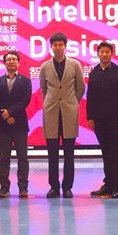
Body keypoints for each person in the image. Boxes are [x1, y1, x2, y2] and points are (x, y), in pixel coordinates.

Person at [39, 32, 85, 199]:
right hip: (51, 113)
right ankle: (54, 186)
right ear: (51, 47)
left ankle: (67, 187)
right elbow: (44, 89)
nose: (58, 47)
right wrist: (51, 103)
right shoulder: (45, 66)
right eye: (55, 45)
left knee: (69, 154)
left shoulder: (75, 65)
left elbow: (80, 88)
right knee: (52, 154)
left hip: (69, 113)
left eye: (61, 45)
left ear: (65, 46)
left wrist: (71, 103)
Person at [87, 42, 118, 199]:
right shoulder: (94, 73)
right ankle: (108, 184)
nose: (104, 54)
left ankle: (116, 186)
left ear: (112, 54)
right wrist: (90, 117)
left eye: (107, 52)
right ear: (98, 54)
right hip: (99, 120)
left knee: (114, 153)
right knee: (105, 152)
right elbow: (90, 97)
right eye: (101, 52)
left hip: (114, 119)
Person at [0, 50, 32, 198]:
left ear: (18, 63)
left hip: (20, 124)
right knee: (4, 158)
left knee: (23, 157)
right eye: (8, 59)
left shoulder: (26, 81)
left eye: (14, 59)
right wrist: (5, 115)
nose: (11, 61)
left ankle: (23, 188)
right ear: (4, 63)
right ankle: (4, 187)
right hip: (3, 125)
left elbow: (25, 100)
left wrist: (9, 112)